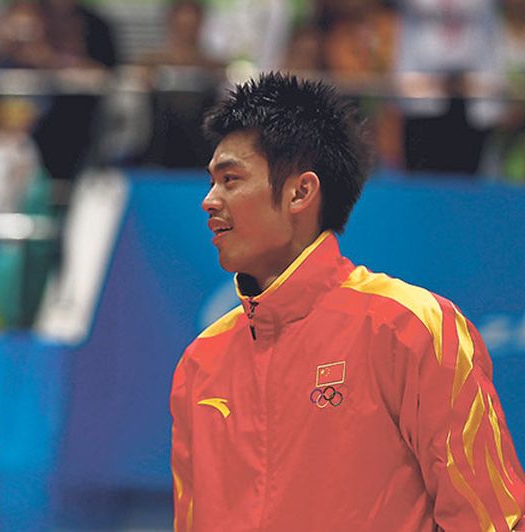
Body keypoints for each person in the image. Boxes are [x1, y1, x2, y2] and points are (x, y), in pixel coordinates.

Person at [170, 72, 525, 531]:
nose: (209, 201)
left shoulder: (413, 327)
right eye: (211, 181)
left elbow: (493, 521)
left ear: (301, 191)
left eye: (230, 179)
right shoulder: (201, 364)